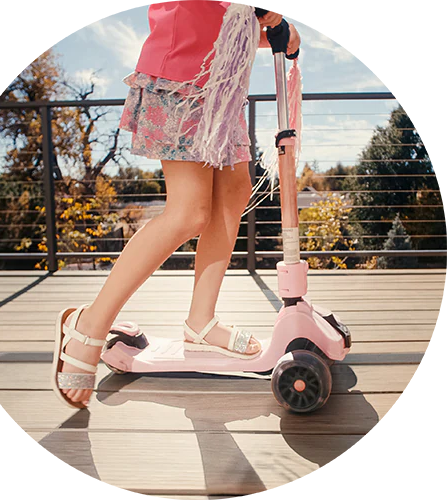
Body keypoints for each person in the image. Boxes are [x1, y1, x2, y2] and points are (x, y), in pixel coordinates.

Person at [51, 0, 301, 409]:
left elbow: (228, 25)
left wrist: (273, 27)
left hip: (220, 90)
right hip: (181, 77)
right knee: (189, 211)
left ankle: (200, 321)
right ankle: (88, 323)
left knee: (234, 193)